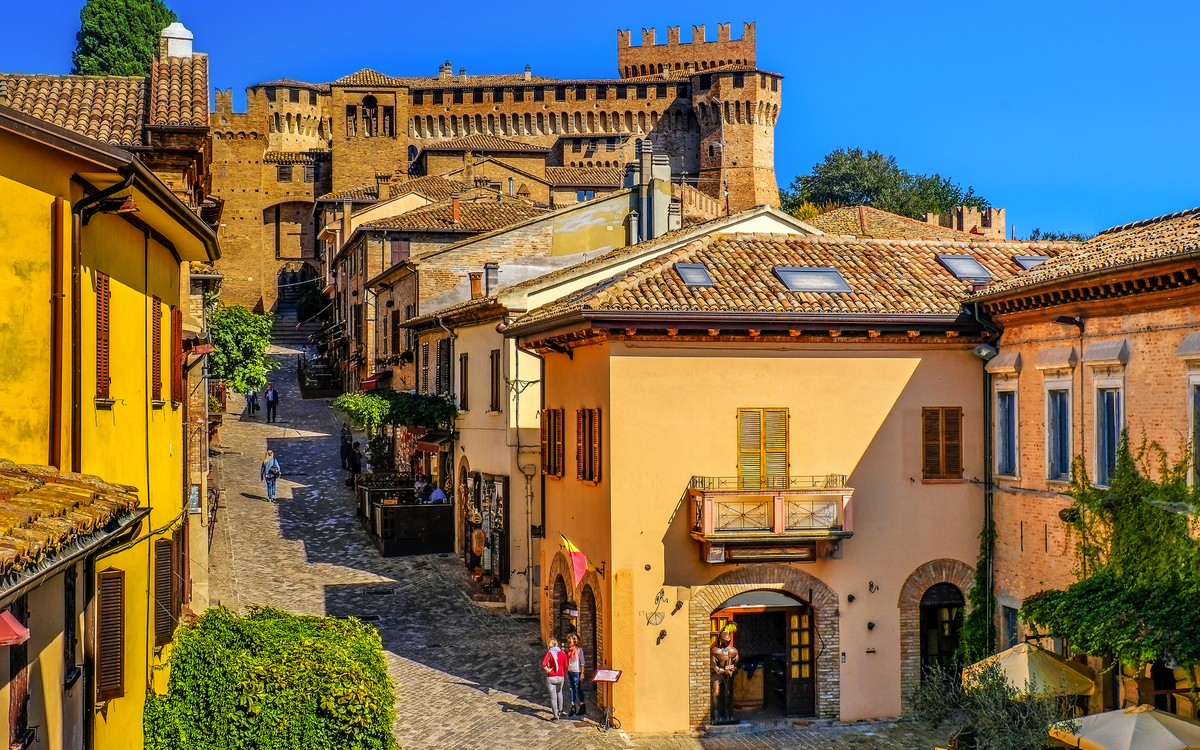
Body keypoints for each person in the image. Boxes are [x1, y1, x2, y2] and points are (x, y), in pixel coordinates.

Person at [710, 623, 739, 724]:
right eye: (725, 641)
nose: (727, 643)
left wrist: (731, 670)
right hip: (717, 674)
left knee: (728, 693)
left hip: (728, 675)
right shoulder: (715, 651)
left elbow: (736, 664)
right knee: (716, 693)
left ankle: (728, 713)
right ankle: (716, 714)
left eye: (729, 641)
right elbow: (714, 666)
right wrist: (723, 670)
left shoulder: (733, 651)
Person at [541, 637, 568, 721]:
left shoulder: (549, 653)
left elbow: (544, 663)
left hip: (551, 677)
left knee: (553, 697)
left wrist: (548, 670)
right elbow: (566, 666)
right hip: (560, 677)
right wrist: (562, 671)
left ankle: (556, 716)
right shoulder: (562, 653)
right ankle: (560, 710)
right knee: (559, 692)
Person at [565, 633, 586, 717]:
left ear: (575, 641)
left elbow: (582, 662)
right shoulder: (569, 650)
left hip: (577, 671)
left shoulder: (578, 650)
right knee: (571, 689)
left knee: (578, 689)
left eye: (570, 641)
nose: (569, 643)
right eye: (568, 641)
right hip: (570, 670)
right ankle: (572, 706)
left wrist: (583, 673)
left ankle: (582, 705)